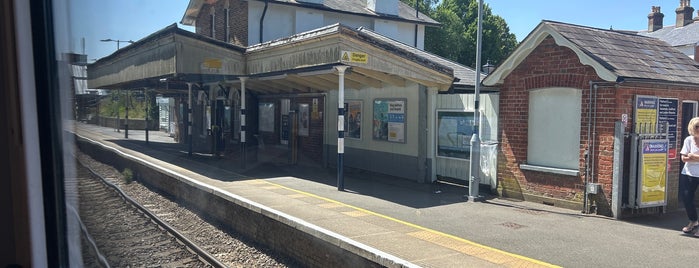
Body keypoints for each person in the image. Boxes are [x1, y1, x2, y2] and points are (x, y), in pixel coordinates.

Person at [680, 117, 699, 235]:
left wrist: (692, 156)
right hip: (688, 173)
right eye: (697, 126)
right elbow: (683, 158)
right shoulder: (688, 140)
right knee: (687, 198)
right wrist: (693, 157)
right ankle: (693, 221)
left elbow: (689, 157)